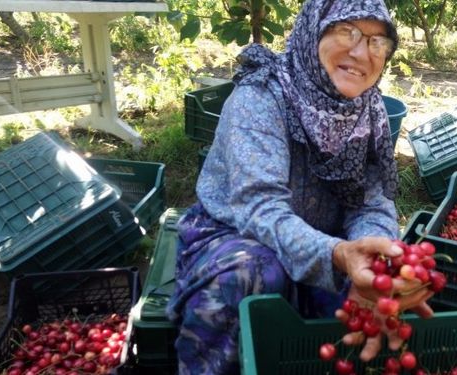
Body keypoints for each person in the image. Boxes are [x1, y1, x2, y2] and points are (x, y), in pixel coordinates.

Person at [167, 0, 434, 373]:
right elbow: (260, 208)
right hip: (237, 234)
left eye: (377, 42)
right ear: (313, 31)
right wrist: (338, 255)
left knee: (375, 299)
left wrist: (372, 260)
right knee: (251, 277)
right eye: (347, 31)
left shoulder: (367, 111)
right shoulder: (261, 96)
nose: (361, 52)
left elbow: (370, 205)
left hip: (329, 241)